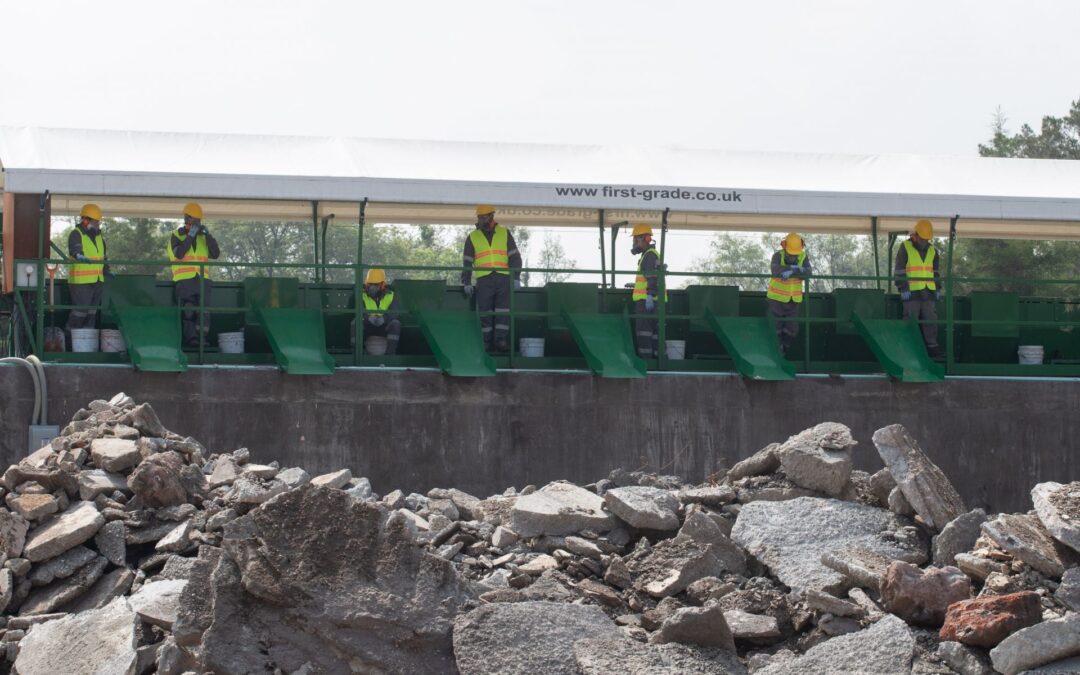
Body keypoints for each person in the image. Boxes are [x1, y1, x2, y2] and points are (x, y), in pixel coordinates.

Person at [461, 205, 522, 353]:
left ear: (491, 216)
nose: (481, 220)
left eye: (483, 217)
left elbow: (515, 257)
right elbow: (467, 262)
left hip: (504, 278)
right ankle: (486, 342)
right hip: (484, 279)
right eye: (479, 217)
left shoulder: (504, 233)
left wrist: (516, 277)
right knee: (484, 311)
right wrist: (466, 282)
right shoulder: (473, 237)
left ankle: (500, 341)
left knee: (503, 311)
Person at [168, 202, 220, 348]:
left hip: (203, 280)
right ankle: (191, 341)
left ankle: (202, 340)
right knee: (189, 311)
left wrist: (208, 235)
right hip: (184, 281)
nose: (197, 223)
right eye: (194, 220)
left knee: (203, 312)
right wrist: (190, 235)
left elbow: (215, 254)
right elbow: (179, 254)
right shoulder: (176, 235)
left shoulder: (203, 238)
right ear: (186, 219)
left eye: (199, 220)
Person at [895, 219, 942, 357]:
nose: (924, 241)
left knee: (930, 318)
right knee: (910, 318)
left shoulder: (933, 250)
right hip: (911, 291)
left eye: (927, 239)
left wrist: (937, 288)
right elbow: (899, 270)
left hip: (929, 290)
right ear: (915, 235)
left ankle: (932, 346)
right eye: (922, 238)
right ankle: (907, 347)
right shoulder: (905, 247)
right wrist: (903, 288)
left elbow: (936, 272)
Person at [66, 203, 111, 339]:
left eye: (98, 221)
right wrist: (78, 255)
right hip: (81, 281)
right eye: (95, 221)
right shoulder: (76, 234)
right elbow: (75, 250)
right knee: (80, 312)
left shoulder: (99, 238)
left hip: (97, 280)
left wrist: (106, 270)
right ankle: (69, 341)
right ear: (85, 220)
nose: (97, 224)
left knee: (92, 313)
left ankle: (85, 344)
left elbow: (103, 257)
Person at [766, 233, 812, 356]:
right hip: (776, 299)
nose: (793, 256)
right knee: (776, 329)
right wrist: (795, 269)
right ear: (784, 247)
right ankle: (777, 352)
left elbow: (808, 272)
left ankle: (784, 350)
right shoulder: (777, 256)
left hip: (793, 300)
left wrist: (791, 270)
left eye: (795, 254)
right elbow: (775, 270)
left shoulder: (803, 257)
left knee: (792, 329)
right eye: (791, 253)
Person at [630, 223, 666, 359]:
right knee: (657, 335)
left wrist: (650, 295)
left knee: (644, 333)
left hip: (647, 301)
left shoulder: (649, 255)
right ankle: (659, 361)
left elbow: (652, 277)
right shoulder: (649, 255)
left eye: (635, 239)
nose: (634, 243)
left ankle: (647, 363)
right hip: (654, 302)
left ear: (645, 239)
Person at [360, 268, 401, 355]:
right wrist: (368, 318)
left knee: (395, 323)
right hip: (368, 325)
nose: (372, 287)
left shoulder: (391, 295)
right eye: (370, 284)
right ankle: (357, 353)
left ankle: (390, 354)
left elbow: (395, 313)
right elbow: (358, 310)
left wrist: (384, 318)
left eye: (376, 284)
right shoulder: (361, 295)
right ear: (367, 284)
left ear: (382, 284)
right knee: (356, 323)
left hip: (384, 326)